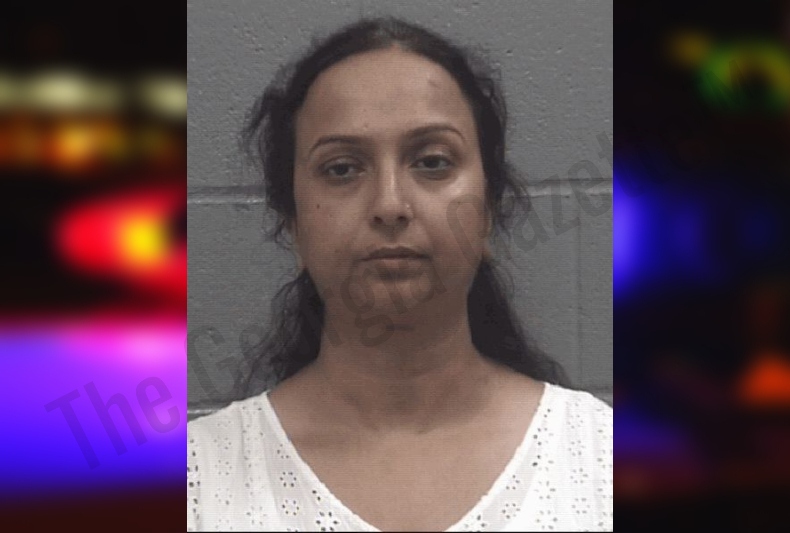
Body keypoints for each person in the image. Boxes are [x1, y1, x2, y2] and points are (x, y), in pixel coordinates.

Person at [188, 16, 612, 532]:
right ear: (293, 224)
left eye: (432, 162)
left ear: (488, 212)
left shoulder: (602, 459)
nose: (390, 205)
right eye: (342, 169)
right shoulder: (198, 481)